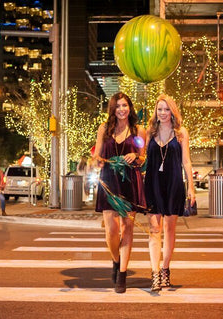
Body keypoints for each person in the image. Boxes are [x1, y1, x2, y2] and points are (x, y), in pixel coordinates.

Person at [93, 92, 146, 293]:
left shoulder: (138, 130)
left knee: (127, 228)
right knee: (111, 231)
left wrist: (135, 156)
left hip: (130, 181)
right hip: (108, 181)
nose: (122, 109)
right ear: (113, 109)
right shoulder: (104, 129)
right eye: (118, 106)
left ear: (130, 108)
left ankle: (122, 274)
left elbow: (143, 158)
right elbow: (98, 154)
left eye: (125, 105)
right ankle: (116, 260)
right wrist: (97, 160)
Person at [144, 94, 195, 292]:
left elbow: (186, 161)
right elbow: (142, 159)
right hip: (153, 183)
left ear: (172, 111)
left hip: (174, 183)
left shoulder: (181, 132)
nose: (163, 113)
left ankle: (165, 268)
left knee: (169, 228)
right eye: (160, 109)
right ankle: (155, 273)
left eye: (166, 109)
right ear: (155, 112)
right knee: (154, 229)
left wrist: (191, 186)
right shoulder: (149, 132)